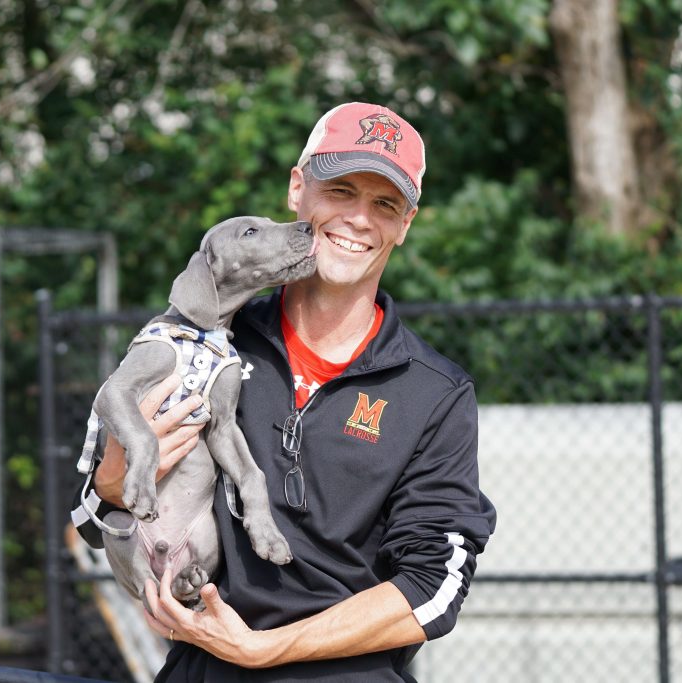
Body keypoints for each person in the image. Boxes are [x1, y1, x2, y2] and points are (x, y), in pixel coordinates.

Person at [71, 102, 497, 681]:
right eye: (341, 190)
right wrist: (112, 486)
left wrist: (265, 649)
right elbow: (96, 525)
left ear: (406, 224)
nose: (358, 219)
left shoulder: (435, 393)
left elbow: (434, 588)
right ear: (298, 188)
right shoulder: (206, 340)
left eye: (384, 204)